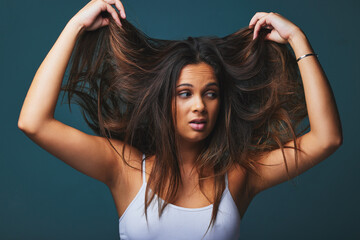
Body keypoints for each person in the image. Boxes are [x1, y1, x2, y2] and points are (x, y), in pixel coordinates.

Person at [18, 0, 342, 239]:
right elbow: (33, 123)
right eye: (184, 93)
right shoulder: (125, 169)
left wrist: (299, 39)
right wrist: (74, 26)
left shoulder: (240, 176)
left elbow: (327, 139)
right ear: (164, 102)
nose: (199, 105)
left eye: (211, 93)